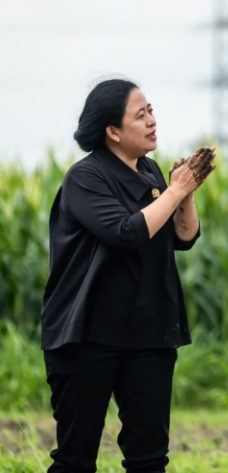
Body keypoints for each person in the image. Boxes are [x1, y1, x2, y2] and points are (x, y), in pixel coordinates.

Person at [41, 79, 214, 473]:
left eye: (151, 110)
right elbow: (126, 233)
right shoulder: (85, 178)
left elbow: (183, 238)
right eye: (141, 115)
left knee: (149, 459)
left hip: (148, 336)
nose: (153, 120)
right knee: (75, 458)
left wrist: (185, 193)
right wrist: (175, 191)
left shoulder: (151, 173)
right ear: (112, 132)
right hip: (86, 337)